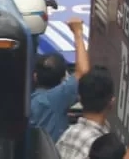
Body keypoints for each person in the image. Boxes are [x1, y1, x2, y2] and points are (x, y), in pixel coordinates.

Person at [29, 14, 91, 144]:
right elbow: (83, 74)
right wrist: (78, 33)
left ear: (35, 76)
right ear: (63, 78)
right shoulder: (54, 100)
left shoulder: (27, 98)